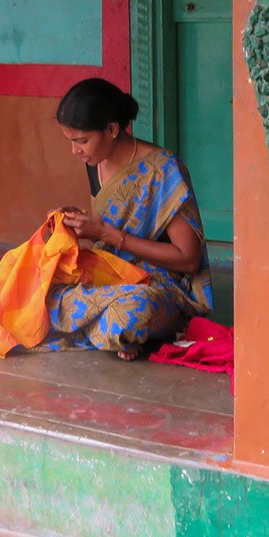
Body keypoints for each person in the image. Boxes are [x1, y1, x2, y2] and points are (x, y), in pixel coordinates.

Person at [45, 78, 213, 359]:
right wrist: (74, 221)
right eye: (71, 142)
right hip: (110, 274)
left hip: (159, 283)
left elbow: (188, 259)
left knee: (133, 311)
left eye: (82, 141)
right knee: (43, 288)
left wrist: (110, 235)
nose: (75, 151)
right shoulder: (95, 163)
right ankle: (115, 334)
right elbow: (104, 227)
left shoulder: (162, 171)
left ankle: (117, 329)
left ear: (111, 129)